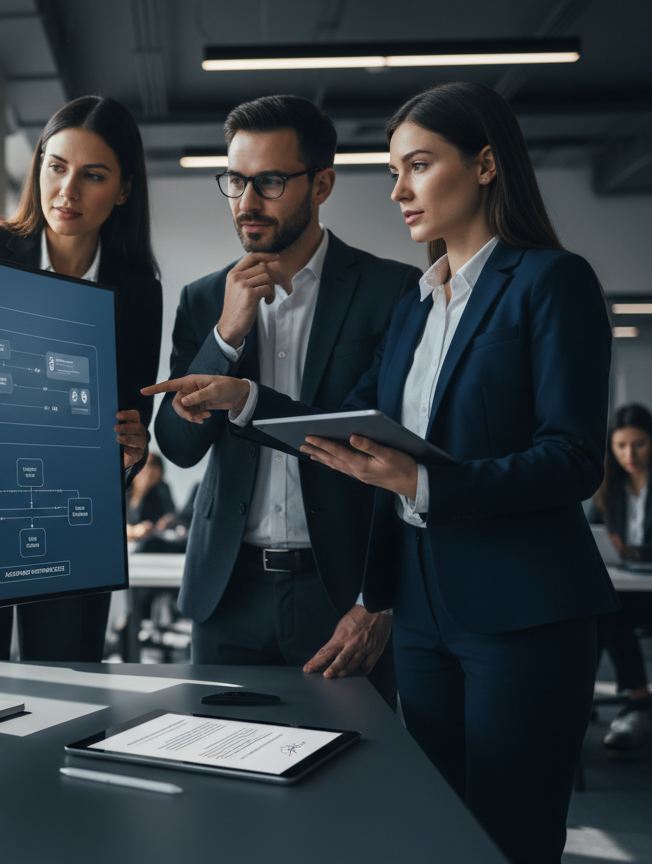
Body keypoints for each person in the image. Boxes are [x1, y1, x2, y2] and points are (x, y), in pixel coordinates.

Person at [144, 81, 618, 864]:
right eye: (395, 170)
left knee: (508, 836)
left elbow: (572, 459)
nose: (398, 190)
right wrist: (242, 392)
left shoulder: (546, 282)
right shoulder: (422, 305)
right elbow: (346, 429)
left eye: (418, 166)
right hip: (423, 613)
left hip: (518, 610)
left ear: (487, 164)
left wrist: (415, 500)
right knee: (428, 831)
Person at [152, 94, 421, 706]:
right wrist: (226, 336)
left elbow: (394, 451)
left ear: (321, 183)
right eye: (236, 181)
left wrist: (376, 600)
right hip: (227, 592)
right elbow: (179, 444)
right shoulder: (203, 300)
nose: (247, 202)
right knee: (219, 774)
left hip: (339, 591)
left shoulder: (390, 290)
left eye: (269, 181)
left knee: (349, 780)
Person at [0, 95, 163, 662]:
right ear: (38, 168)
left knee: (65, 697)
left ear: (123, 189)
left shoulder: (137, 290)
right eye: (56, 166)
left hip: (74, 522)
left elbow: (132, 429)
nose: (68, 192)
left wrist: (132, 446)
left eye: (93, 176)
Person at [592, 403, 652, 749]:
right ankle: (638, 700)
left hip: (646, 596)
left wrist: (635, 553)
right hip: (624, 592)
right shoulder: (608, 486)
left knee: (606, 613)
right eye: (621, 446)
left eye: (639, 444)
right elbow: (589, 529)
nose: (629, 453)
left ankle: (639, 700)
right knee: (601, 610)